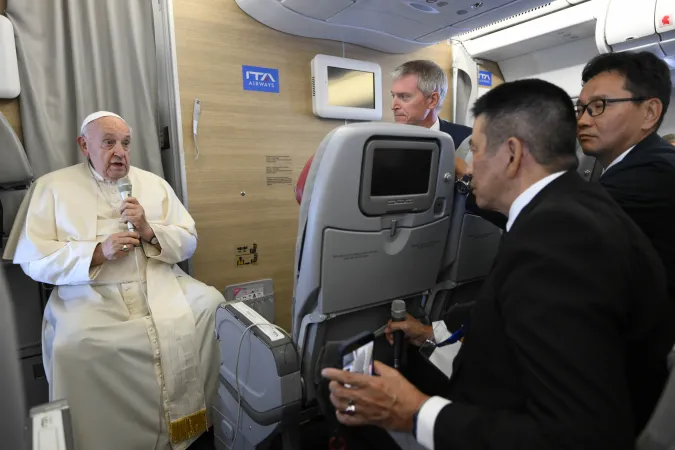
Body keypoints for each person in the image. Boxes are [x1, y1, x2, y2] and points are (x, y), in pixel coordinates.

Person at [322, 79, 675, 450]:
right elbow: (524, 318)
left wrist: (413, 412)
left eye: (475, 150)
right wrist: (433, 333)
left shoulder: (559, 242)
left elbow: (580, 436)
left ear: (511, 154)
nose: (469, 166)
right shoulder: (572, 208)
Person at [8, 111, 224, 450]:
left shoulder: (153, 183)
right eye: (108, 143)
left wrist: (149, 229)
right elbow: (34, 260)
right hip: (89, 291)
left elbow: (189, 239)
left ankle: (195, 423)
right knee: (75, 345)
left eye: (125, 143)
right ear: (84, 145)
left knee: (212, 305)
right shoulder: (53, 187)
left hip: (158, 282)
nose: (120, 152)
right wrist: (97, 252)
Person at [577, 51, 675, 303]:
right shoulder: (640, 162)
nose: (582, 120)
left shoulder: (652, 172)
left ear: (650, 112)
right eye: (581, 109)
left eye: (599, 106)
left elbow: (556, 229)